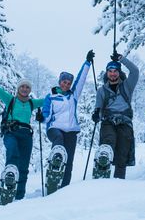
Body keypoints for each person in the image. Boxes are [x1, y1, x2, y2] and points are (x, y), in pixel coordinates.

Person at [0, 71, 44, 200]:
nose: (25, 89)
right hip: (11, 133)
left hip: (26, 136)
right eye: (22, 86)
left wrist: (59, 91)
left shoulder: (32, 103)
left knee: (24, 166)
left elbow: (48, 100)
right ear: (18, 88)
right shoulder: (10, 100)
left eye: (27, 87)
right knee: (13, 152)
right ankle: (8, 187)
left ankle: (19, 195)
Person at [42, 50, 94, 188]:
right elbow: (46, 115)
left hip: (71, 131)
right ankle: (55, 161)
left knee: (69, 160)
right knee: (58, 139)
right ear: (60, 82)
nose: (66, 85)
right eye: (64, 82)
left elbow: (81, 79)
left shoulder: (73, 96)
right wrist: (42, 117)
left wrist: (87, 62)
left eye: (69, 83)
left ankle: (64, 188)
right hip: (54, 129)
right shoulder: (51, 96)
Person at [92, 51, 139, 179]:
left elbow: (135, 71)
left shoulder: (127, 86)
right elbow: (99, 107)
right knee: (108, 143)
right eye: (110, 71)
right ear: (107, 73)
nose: (112, 73)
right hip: (108, 121)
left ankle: (118, 183)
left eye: (115, 71)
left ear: (119, 72)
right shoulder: (102, 91)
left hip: (125, 122)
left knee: (122, 154)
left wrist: (121, 59)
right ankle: (101, 173)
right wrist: (96, 114)